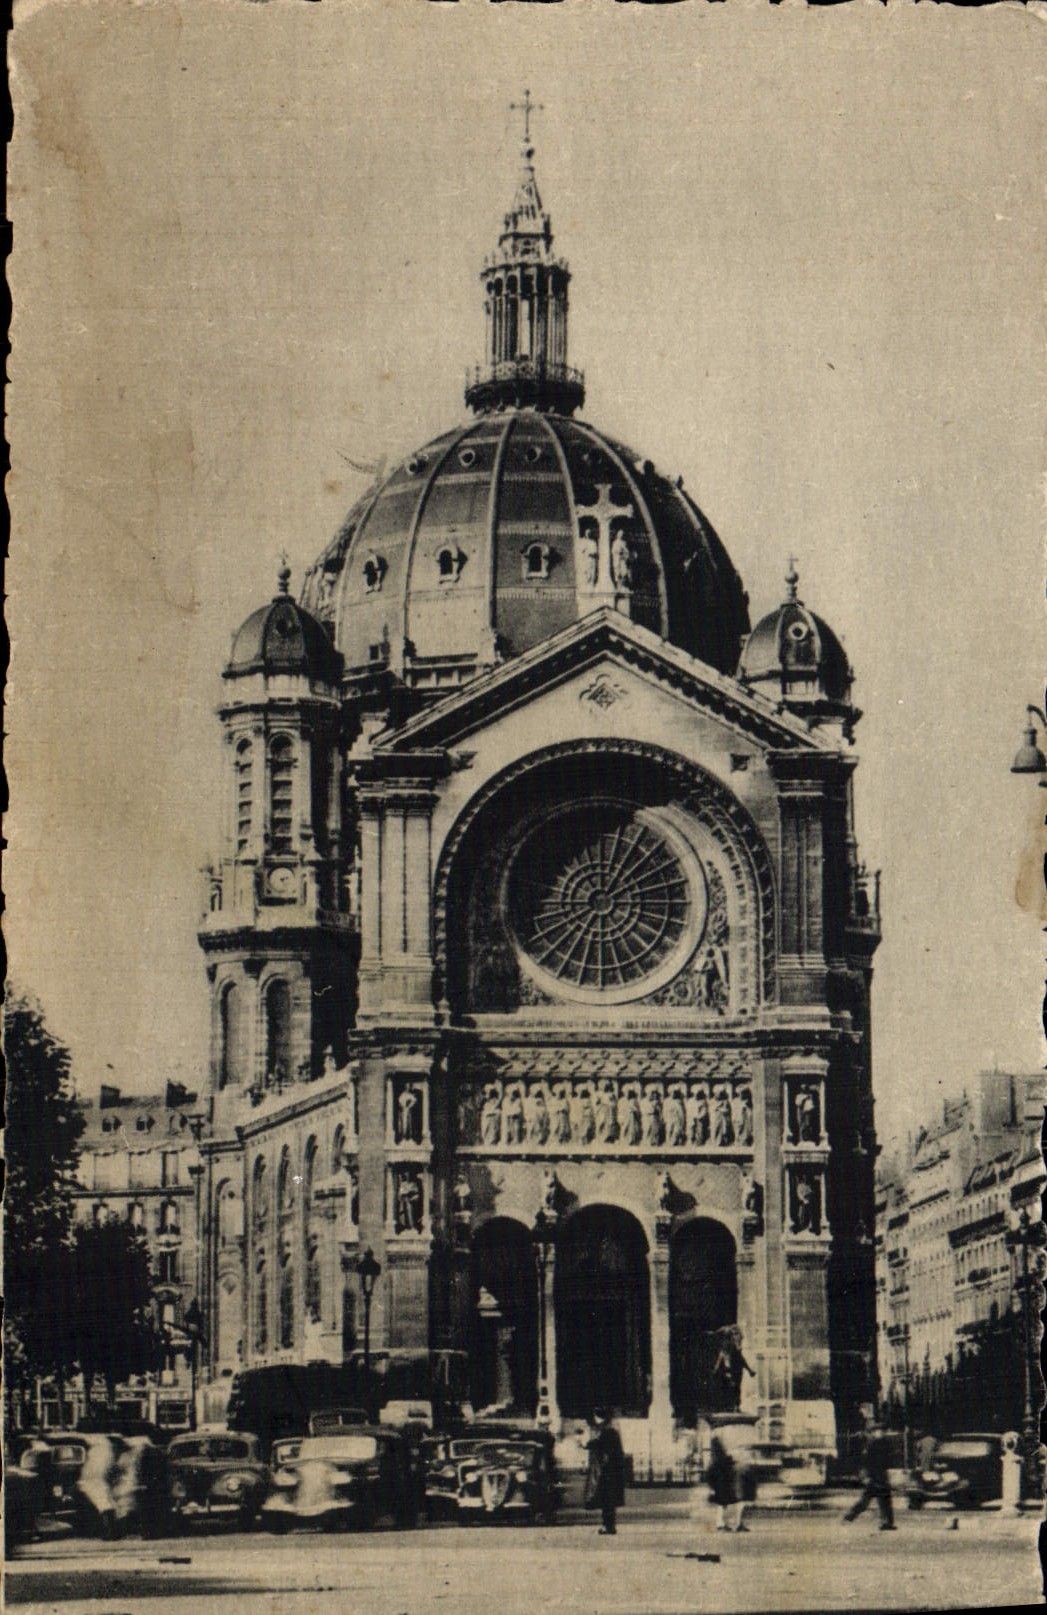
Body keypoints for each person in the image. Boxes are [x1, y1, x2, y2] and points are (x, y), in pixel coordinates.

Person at [843, 1411, 897, 1530]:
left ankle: (886, 1523)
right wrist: (866, 1476)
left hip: (881, 1476)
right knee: (869, 1501)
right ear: (874, 1433)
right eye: (878, 1431)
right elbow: (866, 1461)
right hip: (874, 1476)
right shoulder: (871, 1445)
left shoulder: (885, 1444)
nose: (881, 1433)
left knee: (883, 1501)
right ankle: (850, 1517)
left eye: (882, 1431)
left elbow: (888, 1461)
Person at [706, 1419, 756, 1533]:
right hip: (722, 1474)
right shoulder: (717, 1441)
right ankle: (724, 1524)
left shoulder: (718, 1440)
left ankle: (731, 1524)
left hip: (725, 1473)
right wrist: (732, 1458)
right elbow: (720, 1458)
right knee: (725, 1501)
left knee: (728, 1501)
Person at [585, 1410, 626, 1536]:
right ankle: (610, 1526)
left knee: (606, 1501)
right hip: (613, 1471)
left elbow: (598, 1444)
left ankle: (608, 1526)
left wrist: (585, 1445)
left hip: (606, 1471)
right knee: (610, 1502)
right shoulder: (612, 1431)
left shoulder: (606, 1431)